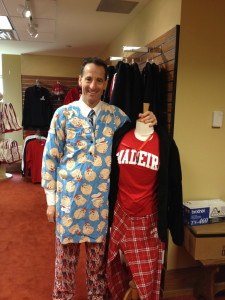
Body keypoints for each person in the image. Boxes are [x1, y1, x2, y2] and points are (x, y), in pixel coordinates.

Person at [41, 57, 157, 300]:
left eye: (99, 80)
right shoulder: (63, 114)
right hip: (68, 202)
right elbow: (50, 158)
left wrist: (150, 122)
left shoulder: (117, 117)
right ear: (80, 80)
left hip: (100, 206)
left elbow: (137, 139)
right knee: (65, 263)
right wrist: (51, 201)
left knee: (97, 266)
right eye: (89, 79)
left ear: (106, 85)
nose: (93, 86)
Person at [106, 118, 184, 300]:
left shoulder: (164, 142)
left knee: (146, 279)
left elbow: (174, 184)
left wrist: (175, 227)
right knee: (114, 267)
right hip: (120, 213)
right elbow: (110, 175)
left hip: (148, 220)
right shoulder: (120, 136)